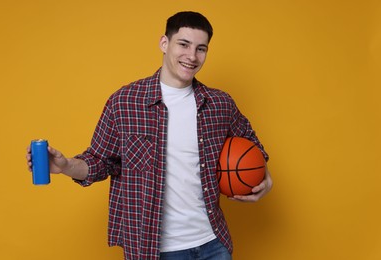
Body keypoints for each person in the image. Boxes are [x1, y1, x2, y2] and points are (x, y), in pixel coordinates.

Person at [26, 11, 273, 260]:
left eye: (201, 49)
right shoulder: (124, 102)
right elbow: (100, 162)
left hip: (212, 243)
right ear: (164, 44)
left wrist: (266, 178)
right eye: (184, 44)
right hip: (153, 249)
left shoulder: (219, 104)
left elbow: (253, 146)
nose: (192, 56)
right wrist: (66, 166)